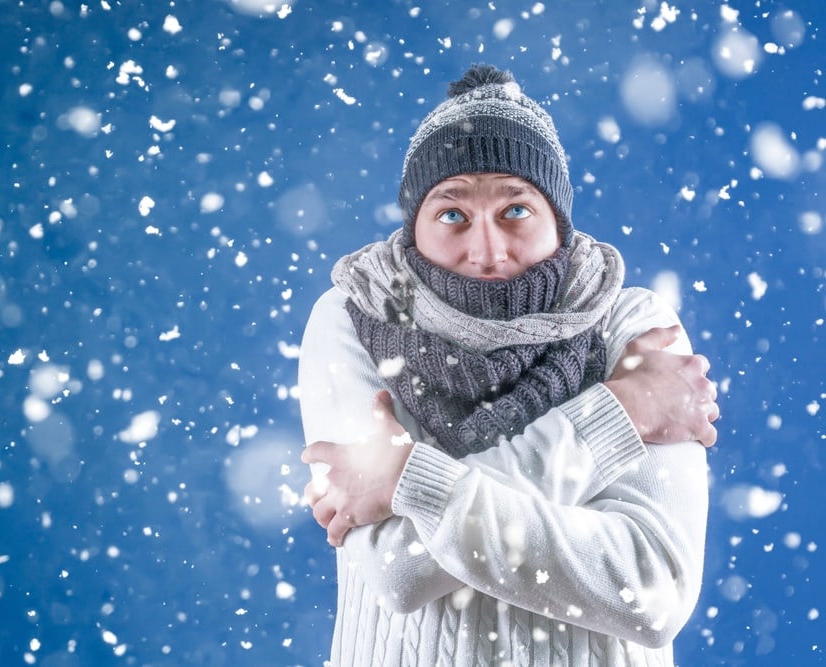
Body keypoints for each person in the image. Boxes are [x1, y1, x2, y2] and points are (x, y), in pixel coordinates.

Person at [298, 64, 719, 666]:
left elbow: (649, 593)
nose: (487, 251)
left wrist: (410, 483)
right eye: (452, 214)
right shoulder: (354, 316)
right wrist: (618, 414)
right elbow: (398, 572)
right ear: (414, 224)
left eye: (516, 209)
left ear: (558, 220)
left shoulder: (633, 324)